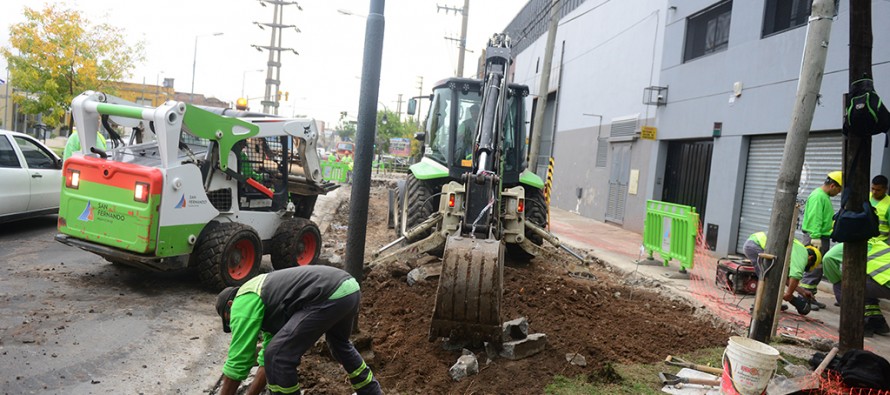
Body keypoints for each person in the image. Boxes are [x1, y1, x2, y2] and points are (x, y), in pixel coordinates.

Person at [216, 266, 382, 395]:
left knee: (279, 356)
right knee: (339, 345)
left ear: (230, 305)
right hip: (349, 289)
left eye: (229, 320)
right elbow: (266, 360)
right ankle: (371, 391)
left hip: (328, 293)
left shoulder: (242, 300)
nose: (233, 325)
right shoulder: (269, 302)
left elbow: (238, 360)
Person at [742, 231, 823, 315]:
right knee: (767, 279)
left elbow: (784, 278)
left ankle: (771, 304)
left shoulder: (796, 252)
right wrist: (789, 294)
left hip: (754, 243)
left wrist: (802, 291)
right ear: (810, 258)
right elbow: (795, 276)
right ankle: (759, 308)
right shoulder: (803, 255)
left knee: (772, 277)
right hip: (756, 245)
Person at [820, 240, 890, 337]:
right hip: (885, 282)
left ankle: (856, 326)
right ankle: (877, 322)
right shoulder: (877, 243)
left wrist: (838, 279)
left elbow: (827, 258)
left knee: (843, 286)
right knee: (863, 286)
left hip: (886, 283)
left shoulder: (848, 245)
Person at [800, 171, 843, 310]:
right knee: (812, 268)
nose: (838, 193)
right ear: (832, 185)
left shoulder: (823, 196)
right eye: (838, 190)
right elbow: (815, 218)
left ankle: (810, 296)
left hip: (820, 237)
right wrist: (815, 236)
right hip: (815, 238)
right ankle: (804, 299)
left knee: (817, 269)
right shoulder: (819, 197)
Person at [871, 175, 890, 242]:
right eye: (872, 189)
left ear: (885, 189)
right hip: (864, 240)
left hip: (880, 243)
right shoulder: (866, 197)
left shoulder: (888, 204)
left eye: (878, 190)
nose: (874, 192)